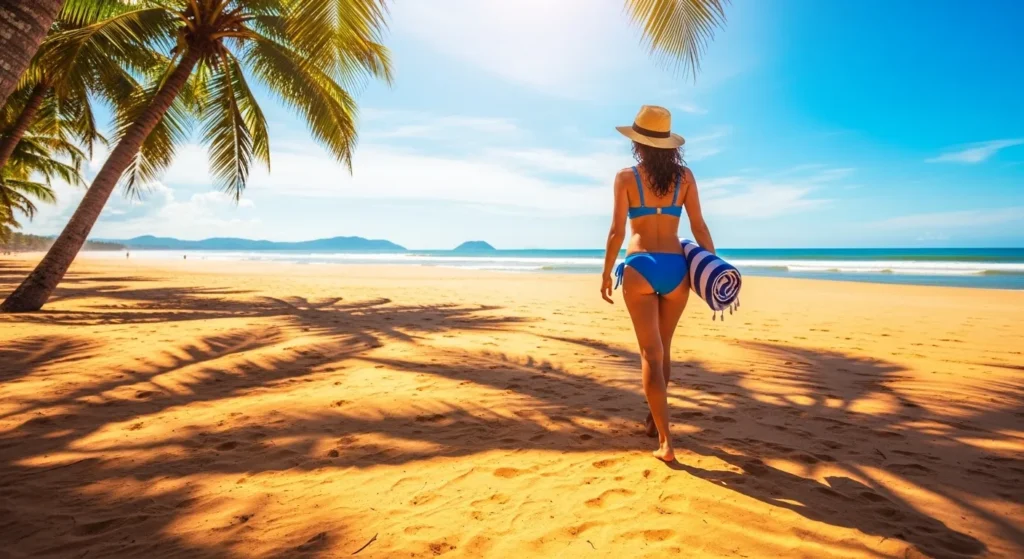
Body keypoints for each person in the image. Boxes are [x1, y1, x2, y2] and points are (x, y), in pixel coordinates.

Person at [600, 105, 716, 462]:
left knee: (650, 353)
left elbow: (618, 231)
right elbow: (697, 226)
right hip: (676, 269)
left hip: (640, 265)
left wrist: (605, 273)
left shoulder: (625, 177)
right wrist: (713, 265)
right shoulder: (685, 177)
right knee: (664, 349)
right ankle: (654, 419)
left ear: (638, 144)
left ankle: (666, 442)